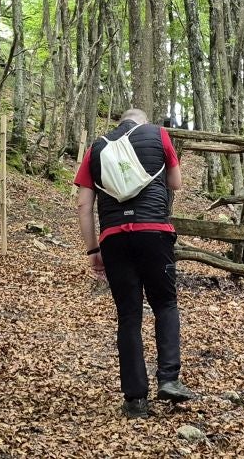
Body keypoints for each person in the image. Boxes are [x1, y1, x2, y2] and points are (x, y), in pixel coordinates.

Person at [75, 108, 197, 417]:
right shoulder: (158, 135)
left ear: (120, 124)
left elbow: (83, 205)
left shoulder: (96, 148)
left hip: (115, 237)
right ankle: (169, 378)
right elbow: (176, 182)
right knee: (165, 304)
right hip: (154, 231)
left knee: (128, 316)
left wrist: (93, 251)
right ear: (142, 123)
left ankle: (135, 399)